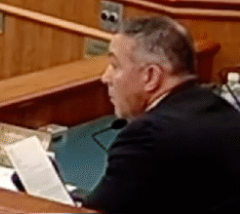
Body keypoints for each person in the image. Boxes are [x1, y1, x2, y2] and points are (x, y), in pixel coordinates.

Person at [85, 16, 240, 214]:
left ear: (151, 76)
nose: (105, 78)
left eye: (116, 66)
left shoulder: (149, 136)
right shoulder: (219, 107)